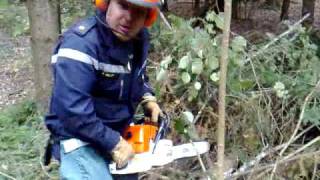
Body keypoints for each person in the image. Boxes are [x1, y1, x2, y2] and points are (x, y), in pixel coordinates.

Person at [44, 0, 162, 179]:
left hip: (118, 133)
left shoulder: (138, 40)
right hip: (79, 137)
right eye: (123, 6)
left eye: (138, 12)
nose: (128, 18)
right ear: (106, 3)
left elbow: (138, 75)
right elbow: (73, 110)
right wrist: (113, 143)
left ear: (148, 17)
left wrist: (147, 97)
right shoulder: (81, 44)